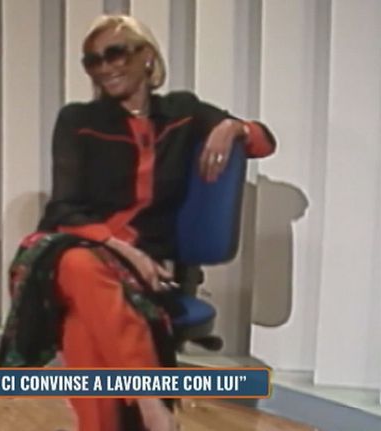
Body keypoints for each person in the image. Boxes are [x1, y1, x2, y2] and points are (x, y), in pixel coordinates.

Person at [36, 15, 276, 431]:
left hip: (144, 262)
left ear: (147, 56)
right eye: (93, 60)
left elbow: (264, 142)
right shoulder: (78, 120)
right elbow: (63, 210)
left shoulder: (181, 113)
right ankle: (151, 407)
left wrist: (232, 127)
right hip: (79, 246)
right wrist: (125, 252)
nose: (105, 67)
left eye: (115, 53)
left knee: (83, 323)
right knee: (78, 265)